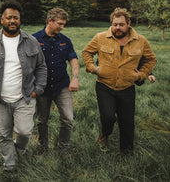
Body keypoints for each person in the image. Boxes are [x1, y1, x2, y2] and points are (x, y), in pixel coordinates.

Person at [0, 0, 47, 171]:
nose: (12, 21)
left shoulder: (31, 41)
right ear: (2, 20)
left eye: (16, 18)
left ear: (20, 20)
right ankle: (10, 165)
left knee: (24, 132)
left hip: (25, 97)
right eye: (9, 18)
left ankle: (18, 150)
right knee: (4, 134)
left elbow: (41, 66)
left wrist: (38, 90)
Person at [82, 8, 156, 153]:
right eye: (115, 24)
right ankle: (105, 133)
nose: (117, 28)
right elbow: (87, 52)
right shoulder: (100, 37)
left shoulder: (141, 41)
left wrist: (141, 75)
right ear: (111, 23)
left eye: (121, 24)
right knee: (108, 117)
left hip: (127, 86)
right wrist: (94, 69)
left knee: (127, 121)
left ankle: (126, 151)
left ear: (128, 23)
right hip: (104, 85)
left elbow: (150, 59)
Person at [32, 8, 79, 154]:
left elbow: (73, 59)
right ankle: (43, 147)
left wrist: (75, 79)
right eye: (59, 23)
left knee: (68, 118)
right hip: (42, 87)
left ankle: (63, 148)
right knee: (42, 120)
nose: (62, 27)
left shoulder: (65, 41)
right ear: (49, 21)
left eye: (64, 24)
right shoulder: (34, 40)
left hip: (62, 86)